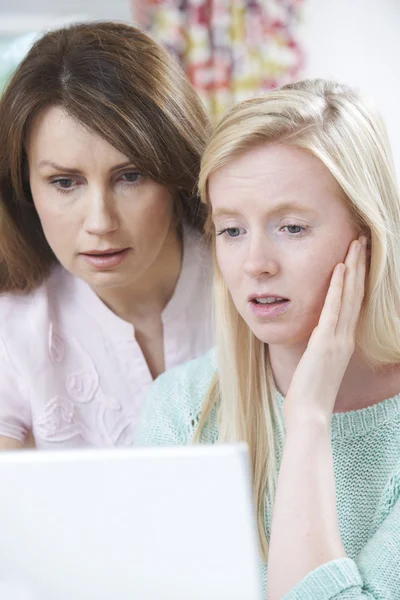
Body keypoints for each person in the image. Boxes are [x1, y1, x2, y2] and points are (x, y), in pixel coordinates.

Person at [136, 79, 400, 598]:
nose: (256, 264)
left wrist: (307, 418)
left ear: (367, 235)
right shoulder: (182, 407)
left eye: (293, 227)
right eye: (232, 230)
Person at [0, 21, 213, 450]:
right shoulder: (13, 329)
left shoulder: (252, 282)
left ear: (177, 170)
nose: (100, 222)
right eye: (64, 182)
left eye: (130, 176)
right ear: (24, 185)